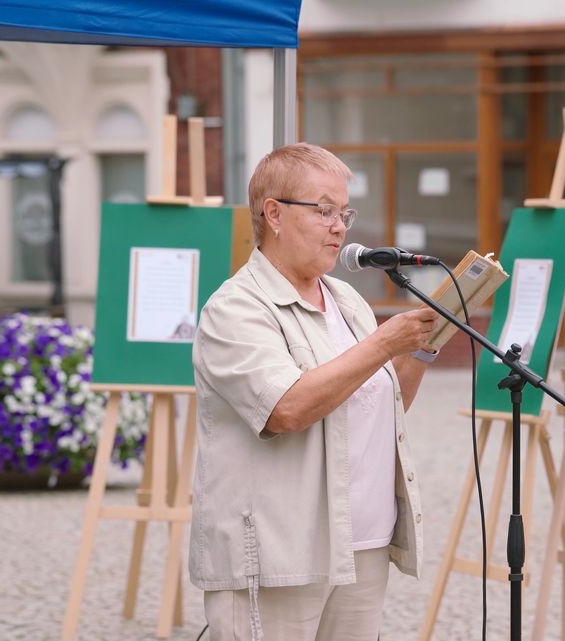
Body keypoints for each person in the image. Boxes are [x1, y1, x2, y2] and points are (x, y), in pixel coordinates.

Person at [189, 142, 440, 641]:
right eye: (324, 210)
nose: (339, 227)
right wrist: (383, 344)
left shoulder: (346, 300)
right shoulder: (236, 308)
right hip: (280, 556)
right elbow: (286, 408)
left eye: (344, 212)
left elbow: (383, 408)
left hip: (362, 545)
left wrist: (421, 351)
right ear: (274, 214)